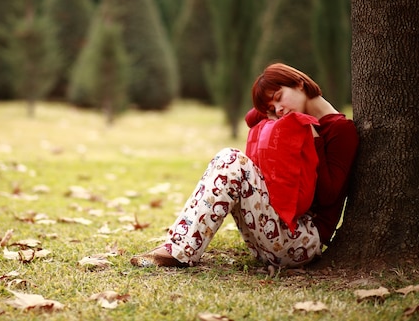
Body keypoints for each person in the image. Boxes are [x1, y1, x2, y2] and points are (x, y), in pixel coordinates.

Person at [130, 63, 359, 268]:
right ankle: (178, 247)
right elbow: (252, 117)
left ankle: (179, 251)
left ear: (299, 83)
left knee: (232, 160)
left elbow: (329, 196)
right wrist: (272, 109)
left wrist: (313, 138)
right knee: (229, 159)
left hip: (303, 242)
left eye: (279, 97)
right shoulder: (291, 121)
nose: (278, 109)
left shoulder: (341, 129)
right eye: (272, 107)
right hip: (270, 238)